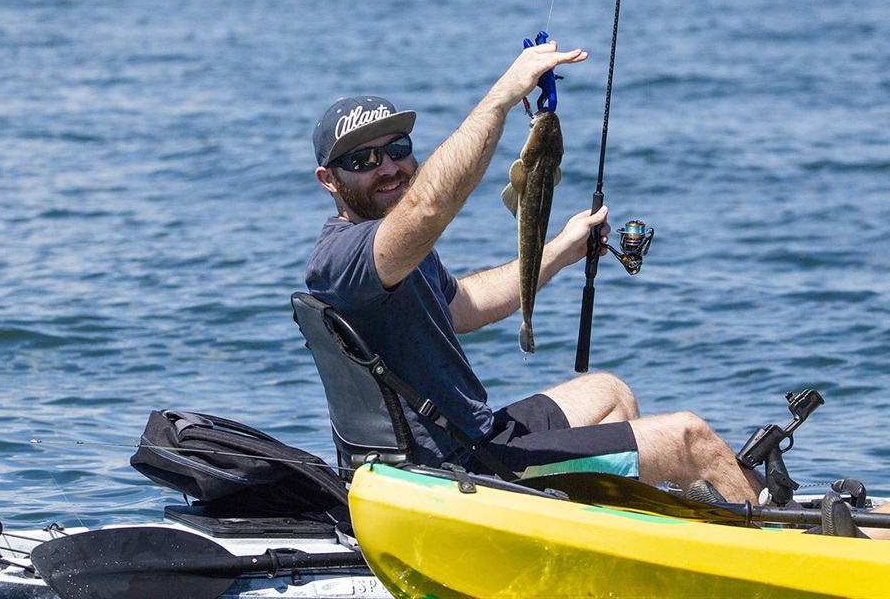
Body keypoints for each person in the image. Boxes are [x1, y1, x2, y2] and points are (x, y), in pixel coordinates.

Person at [304, 40, 768, 505]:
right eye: (362, 161)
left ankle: (624, 537)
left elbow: (462, 305)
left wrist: (561, 250)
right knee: (690, 439)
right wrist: (501, 99)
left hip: (475, 437)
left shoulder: (391, 247)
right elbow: (430, 206)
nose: (388, 167)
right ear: (329, 179)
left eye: (397, 149)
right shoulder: (345, 258)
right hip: (453, 471)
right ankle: (776, 544)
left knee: (608, 392)